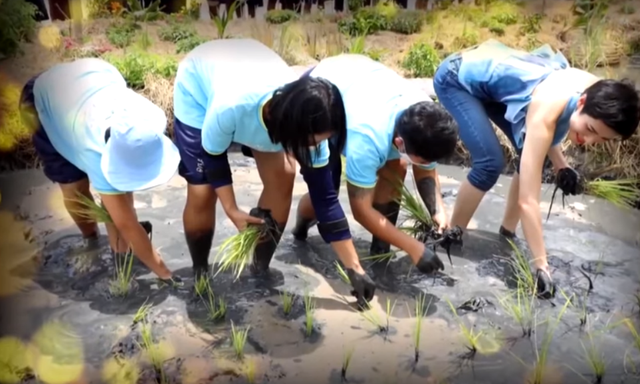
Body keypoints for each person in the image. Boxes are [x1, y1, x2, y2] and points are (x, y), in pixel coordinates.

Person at [433, 39, 640, 298]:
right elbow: (528, 201)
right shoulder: (549, 107)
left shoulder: (598, 91)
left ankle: (506, 234)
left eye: (603, 139)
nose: (590, 141)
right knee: (490, 163)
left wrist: (561, 165)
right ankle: (451, 239)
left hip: (493, 80)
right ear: (582, 102)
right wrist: (541, 265)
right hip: (456, 78)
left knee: (532, 156)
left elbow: (544, 138)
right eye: (590, 130)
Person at [173, 39, 371, 305]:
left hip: (253, 68)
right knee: (203, 191)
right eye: (312, 141)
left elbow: (326, 201)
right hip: (198, 88)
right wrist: (232, 209)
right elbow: (213, 157)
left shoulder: (310, 128)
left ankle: (259, 269)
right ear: (293, 127)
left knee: (283, 175)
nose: (316, 147)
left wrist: (354, 268)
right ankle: (200, 271)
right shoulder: (230, 107)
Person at [290, 54, 460, 276]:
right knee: (325, 192)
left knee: (397, 166)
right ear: (400, 142)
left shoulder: (427, 117)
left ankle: (380, 250)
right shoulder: (367, 141)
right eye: (425, 158)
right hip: (319, 101)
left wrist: (438, 212)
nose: (428, 164)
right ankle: (300, 231)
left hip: (361, 84)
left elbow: (426, 169)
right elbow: (361, 210)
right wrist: (412, 246)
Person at [19, 58, 182, 284]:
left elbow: (123, 198)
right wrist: (165, 273)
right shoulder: (93, 150)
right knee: (74, 186)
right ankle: (91, 239)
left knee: (119, 203)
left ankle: (120, 254)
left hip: (93, 77)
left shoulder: (142, 120)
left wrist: (129, 229)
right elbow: (125, 222)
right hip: (43, 103)